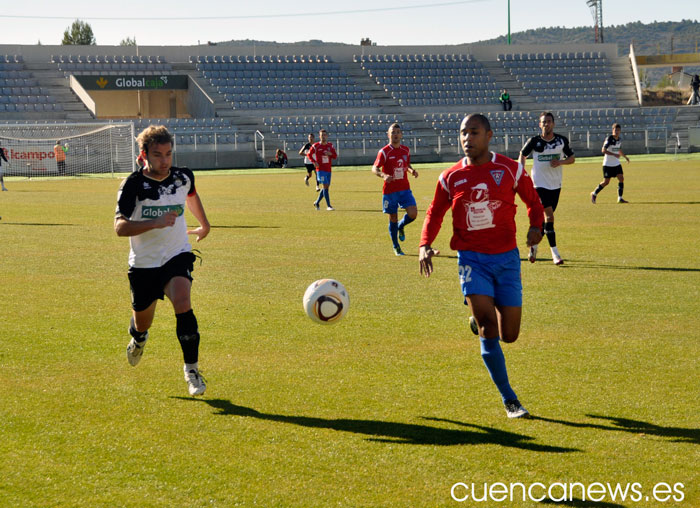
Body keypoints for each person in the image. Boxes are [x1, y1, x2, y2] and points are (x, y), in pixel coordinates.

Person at [419, 114, 544, 419]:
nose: (467, 139)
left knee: (509, 334)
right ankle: (510, 400)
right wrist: (424, 243)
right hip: (471, 259)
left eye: (473, 133)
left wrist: (535, 227)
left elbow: (534, 202)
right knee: (489, 328)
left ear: (489, 135)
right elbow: (435, 212)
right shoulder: (449, 177)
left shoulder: (510, 169)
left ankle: (477, 317)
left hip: (507, 260)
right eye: (463, 133)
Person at [114, 125, 211, 396]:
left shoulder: (183, 177)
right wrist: (155, 222)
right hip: (144, 264)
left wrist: (204, 224)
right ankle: (139, 337)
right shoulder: (133, 184)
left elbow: (191, 196)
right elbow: (120, 228)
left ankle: (191, 369)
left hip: (176, 255)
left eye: (168, 154)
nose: (165, 160)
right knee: (143, 322)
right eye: (157, 155)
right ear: (144, 155)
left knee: (183, 302)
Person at [518, 112, 575, 266]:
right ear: (540, 124)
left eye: (549, 121)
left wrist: (560, 162)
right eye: (543, 122)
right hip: (539, 185)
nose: (546, 124)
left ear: (553, 124)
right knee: (549, 217)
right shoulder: (534, 141)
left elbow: (572, 158)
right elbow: (522, 155)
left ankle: (534, 246)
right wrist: (521, 171)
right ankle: (555, 254)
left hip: (556, 185)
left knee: (545, 222)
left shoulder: (561, 141)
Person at [371, 123, 419, 256]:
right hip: (390, 191)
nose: (396, 134)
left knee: (413, 213)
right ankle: (396, 246)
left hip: (404, 189)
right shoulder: (384, 152)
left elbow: (406, 164)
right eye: (393, 132)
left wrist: (411, 171)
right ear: (388, 135)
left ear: (401, 135)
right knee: (393, 217)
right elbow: (374, 168)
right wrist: (383, 175)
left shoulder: (406, 150)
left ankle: (401, 225)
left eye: (398, 132)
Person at [590, 123, 630, 204]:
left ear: (620, 131)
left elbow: (618, 150)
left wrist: (625, 157)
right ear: (612, 130)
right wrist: (614, 154)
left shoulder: (619, 140)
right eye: (615, 130)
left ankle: (620, 198)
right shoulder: (609, 139)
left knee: (621, 178)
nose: (617, 132)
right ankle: (594, 193)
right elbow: (603, 150)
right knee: (606, 182)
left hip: (616, 163)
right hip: (607, 164)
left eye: (618, 130)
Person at [309, 128, 338, 211]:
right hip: (320, 170)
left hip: (328, 170)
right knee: (325, 185)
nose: (323, 137)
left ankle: (317, 202)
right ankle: (329, 206)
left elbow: (335, 156)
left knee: (326, 187)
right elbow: (309, 154)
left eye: (325, 135)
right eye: (322, 135)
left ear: (327, 136)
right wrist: (314, 162)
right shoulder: (316, 146)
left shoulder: (330, 146)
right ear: (319, 136)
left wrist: (330, 154)